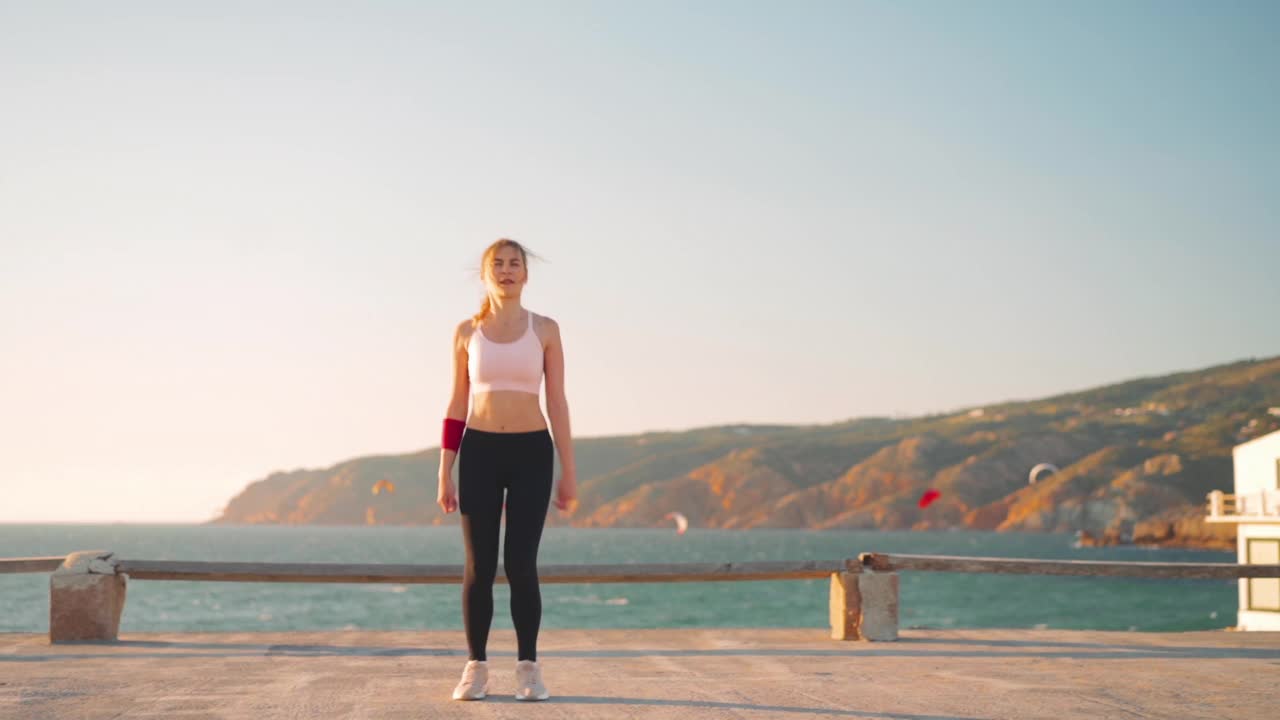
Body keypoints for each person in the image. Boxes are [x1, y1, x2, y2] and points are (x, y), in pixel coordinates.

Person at [436, 238, 578, 702]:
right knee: (478, 566)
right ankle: (475, 667)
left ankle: (528, 668)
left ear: (526, 274)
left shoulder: (547, 329)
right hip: (478, 451)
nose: (506, 270)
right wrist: (446, 470)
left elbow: (557, 402)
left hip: (532, 453)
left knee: (521, 564)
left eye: (515, 263)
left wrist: (569, 471)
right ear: (485, 274)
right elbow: (457, 404)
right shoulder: (464, 333)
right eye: (497, 264)